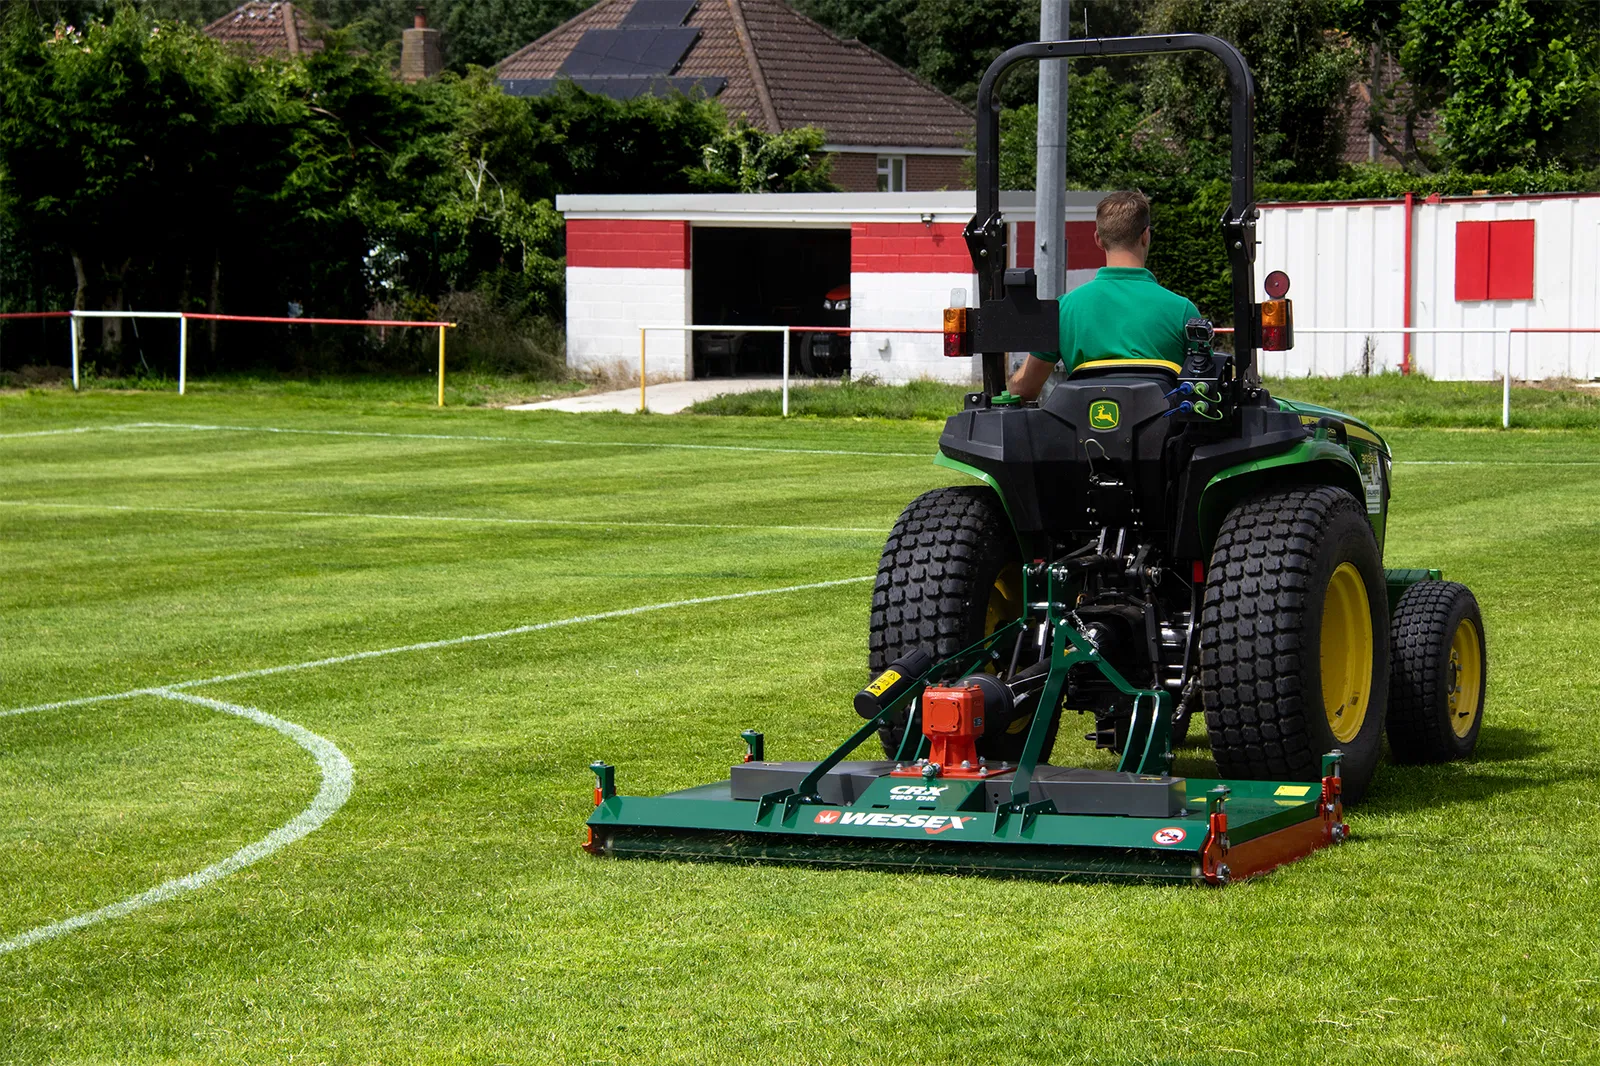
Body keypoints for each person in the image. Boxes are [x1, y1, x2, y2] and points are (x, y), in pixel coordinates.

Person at [1008, 189, 1201, 401]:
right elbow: (1204, 387)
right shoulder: (1183, 310)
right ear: (1146, 236)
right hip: (1165, 432)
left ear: (1098, 239)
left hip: (1086, 431)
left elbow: (1023, 390)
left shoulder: (1063, 310)